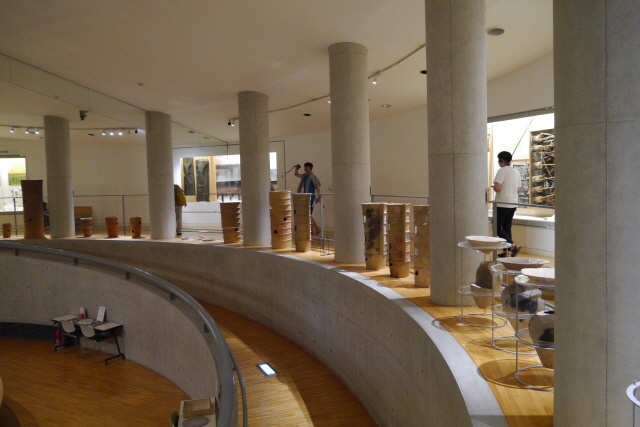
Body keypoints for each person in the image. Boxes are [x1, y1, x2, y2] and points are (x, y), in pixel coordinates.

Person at [492, 151, 521, 257]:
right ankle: (506, 252)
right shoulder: (516, 172)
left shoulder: (502, 171)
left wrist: (494, 187)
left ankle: (513, 246)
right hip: (513, 204)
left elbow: (497, 188)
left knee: (496, 227)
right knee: (507, 227)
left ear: (501, 160)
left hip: (502, 204)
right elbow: (518, 190)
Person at [294, 162, 322, 236]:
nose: (305, 169)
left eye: (307, 167)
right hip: (306, 198)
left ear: (310, 168)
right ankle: (314, 231)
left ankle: (316, 229)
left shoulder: (312, 177)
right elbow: (296, 174)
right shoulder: (305, 176)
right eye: (305, 167)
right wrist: (296, 168)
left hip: (311, 198)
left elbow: (317, 188)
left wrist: (319, 197)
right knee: (308, 215)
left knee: (308, 215)